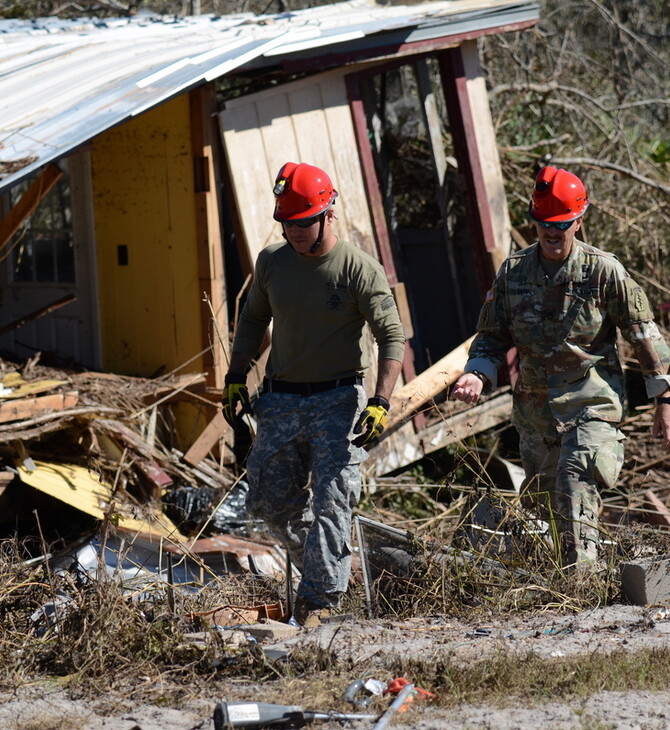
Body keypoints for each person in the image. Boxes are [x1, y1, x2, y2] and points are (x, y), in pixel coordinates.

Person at [452, 166, 670, 567]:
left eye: (562, 225)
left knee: (575, 484)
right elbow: (492, 335)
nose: (552, 234)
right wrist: (477, 372)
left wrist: (666, 401)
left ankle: (582, 589)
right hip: (536, 417)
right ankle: (566, 587)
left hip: (592, 409)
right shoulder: (514, 274)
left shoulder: (604, 272)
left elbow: (645, 337)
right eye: (544, 225)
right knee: (546, 512)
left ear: (579, 221)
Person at [221, 162, 405, 626]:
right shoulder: (272, 262)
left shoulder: (358, 269)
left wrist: (381, 402)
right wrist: (235, 377)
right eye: (287, 224)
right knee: (266, 501)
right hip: (280, 398)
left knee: (332, 498)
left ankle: (320, 602)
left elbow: (392, 339)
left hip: (338, 399)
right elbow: (251, 322)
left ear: (328, 215)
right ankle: (335, 561)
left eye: (303, 223)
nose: (295, 233)